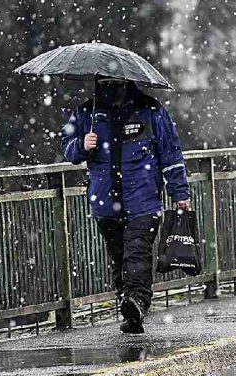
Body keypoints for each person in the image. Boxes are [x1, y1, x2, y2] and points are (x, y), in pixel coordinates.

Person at [61, 78, 190, 334]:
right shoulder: (87, 113)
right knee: (119, 257)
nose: (111, 87)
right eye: (106, 82)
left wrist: (180, 193)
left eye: (115, 82)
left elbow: (170, 153)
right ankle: (129, 305)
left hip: (143, 201)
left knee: (137, 253)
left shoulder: (151, 111)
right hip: (106, 204)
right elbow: (68, 148)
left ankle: (137, 302)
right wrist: (81, 145)